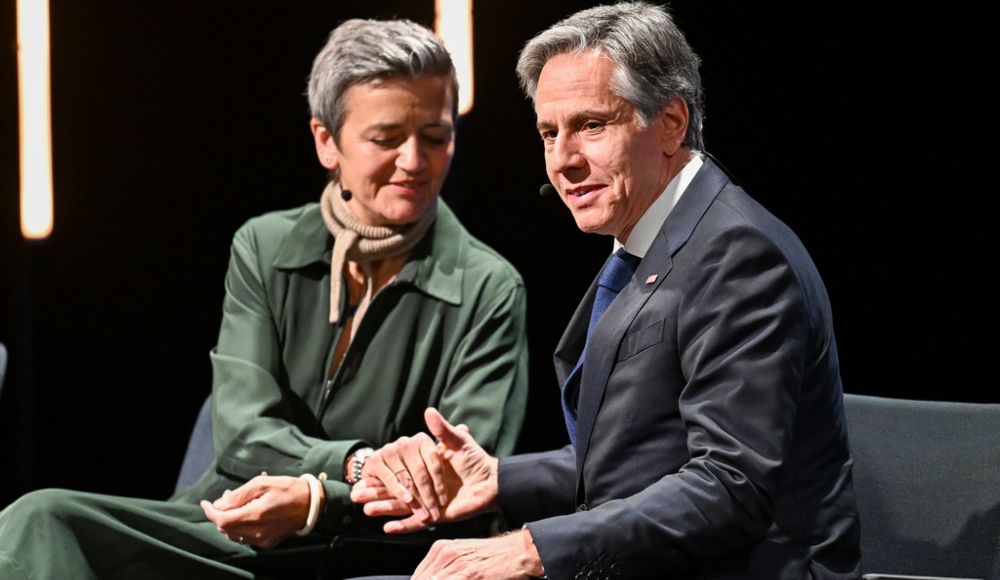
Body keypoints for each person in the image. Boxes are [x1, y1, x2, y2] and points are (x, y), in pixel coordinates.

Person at [0, 18, 528, 578]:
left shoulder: (490, 286)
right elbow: (243, 430)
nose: (415, 162)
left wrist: (317, 500)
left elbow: (457, 479)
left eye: (436, 136)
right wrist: (353, 463)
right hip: (227, 529)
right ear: (327, 142)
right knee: (42, 515)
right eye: (386, 138)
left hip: (370, 549)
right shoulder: (264, 245)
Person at [351, 3, 860, 579]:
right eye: (549, 132)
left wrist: (533, 548)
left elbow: (729, 487)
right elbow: (644, 459)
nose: (563, 161)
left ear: (669, 123)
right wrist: (497, 478)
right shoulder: (654, 238)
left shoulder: (738, 254)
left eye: (591, 125)